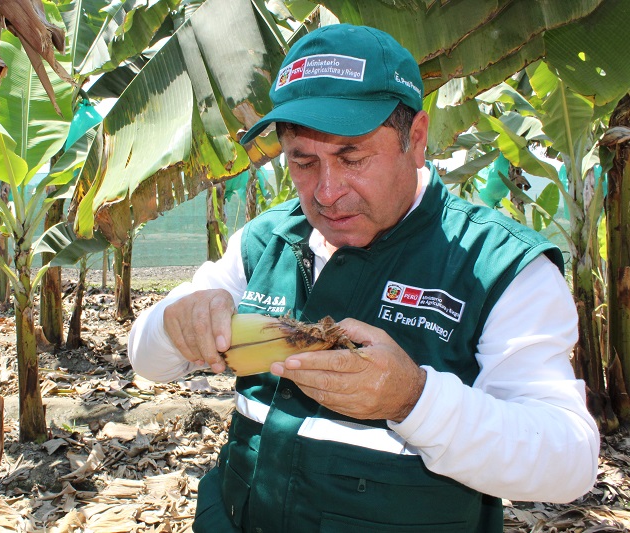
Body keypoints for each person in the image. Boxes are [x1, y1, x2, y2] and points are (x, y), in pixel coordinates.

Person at [129, 24, 599, 532]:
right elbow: (147, 360)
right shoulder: (265, 241)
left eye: (352, 158)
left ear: (415, 139)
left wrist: (414, 399)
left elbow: (569, 462)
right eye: (303, 163)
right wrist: (177, 323)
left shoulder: (498, 266)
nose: (327, 192)